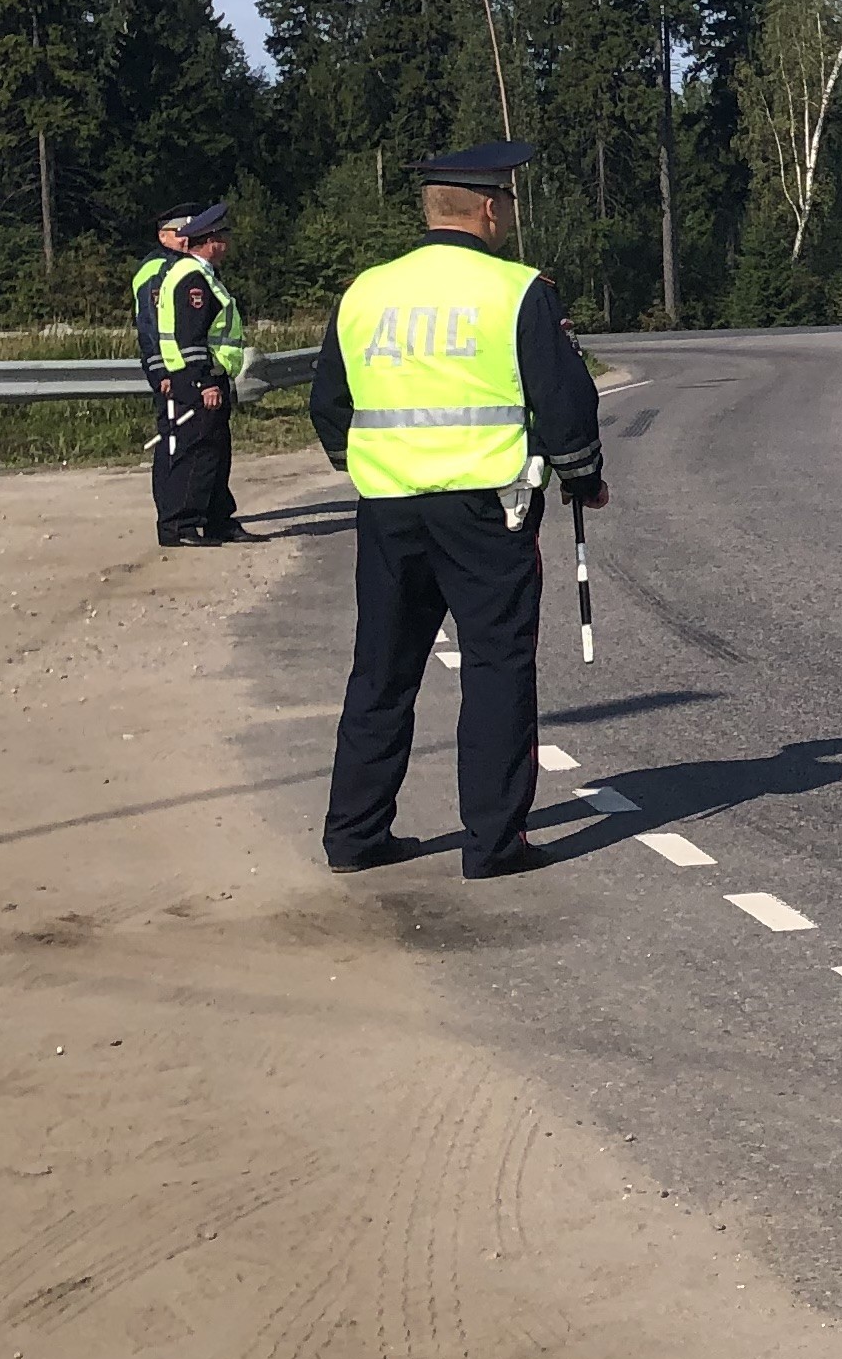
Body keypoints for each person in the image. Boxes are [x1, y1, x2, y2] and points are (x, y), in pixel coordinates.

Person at [309, 142, 607, 878]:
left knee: (380, 673)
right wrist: (582, 475)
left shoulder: (366, 292)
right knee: (497, 669)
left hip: (388, 511)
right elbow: (563, 399)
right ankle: (493, 844)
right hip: (485, 513)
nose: (507, 212)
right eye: (506, 201)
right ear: (486, 208)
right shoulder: (517, 291)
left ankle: (354, 836)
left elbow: (329, 405)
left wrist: (373, 465)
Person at [133, 203, 259, 546]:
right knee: (194, 451)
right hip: (193, 377)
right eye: (223, 237)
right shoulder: (189, 278)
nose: (227, 243)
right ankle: (181, 526)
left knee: (215, 450)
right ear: (210, 241)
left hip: (206, 375)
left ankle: (218, 519)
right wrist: (203, 380)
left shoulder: (200, 274)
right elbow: (189, 334)